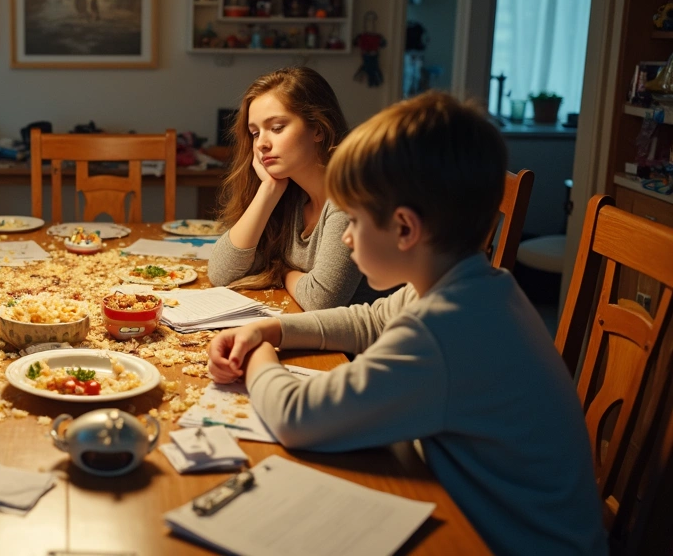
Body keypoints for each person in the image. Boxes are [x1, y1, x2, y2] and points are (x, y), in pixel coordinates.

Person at [207, 92, 607, 554]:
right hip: (493, 517)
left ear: (404, 229)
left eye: (354, 220)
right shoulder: (477, 284)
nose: (348, 237)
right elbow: (371, 317)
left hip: (502, 542)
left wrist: (257, 354)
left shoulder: (442, 329)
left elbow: (297, 417)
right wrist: (271, 328)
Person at [208, 67, 381, 310]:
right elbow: (221, 272)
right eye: (255, 133)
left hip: (363, 346)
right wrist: (268, 191)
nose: (261, 144)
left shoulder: (349, 196)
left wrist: (282, 271)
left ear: (318, 129)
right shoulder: (292, 196)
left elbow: (322, 300)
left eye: (277, 128)